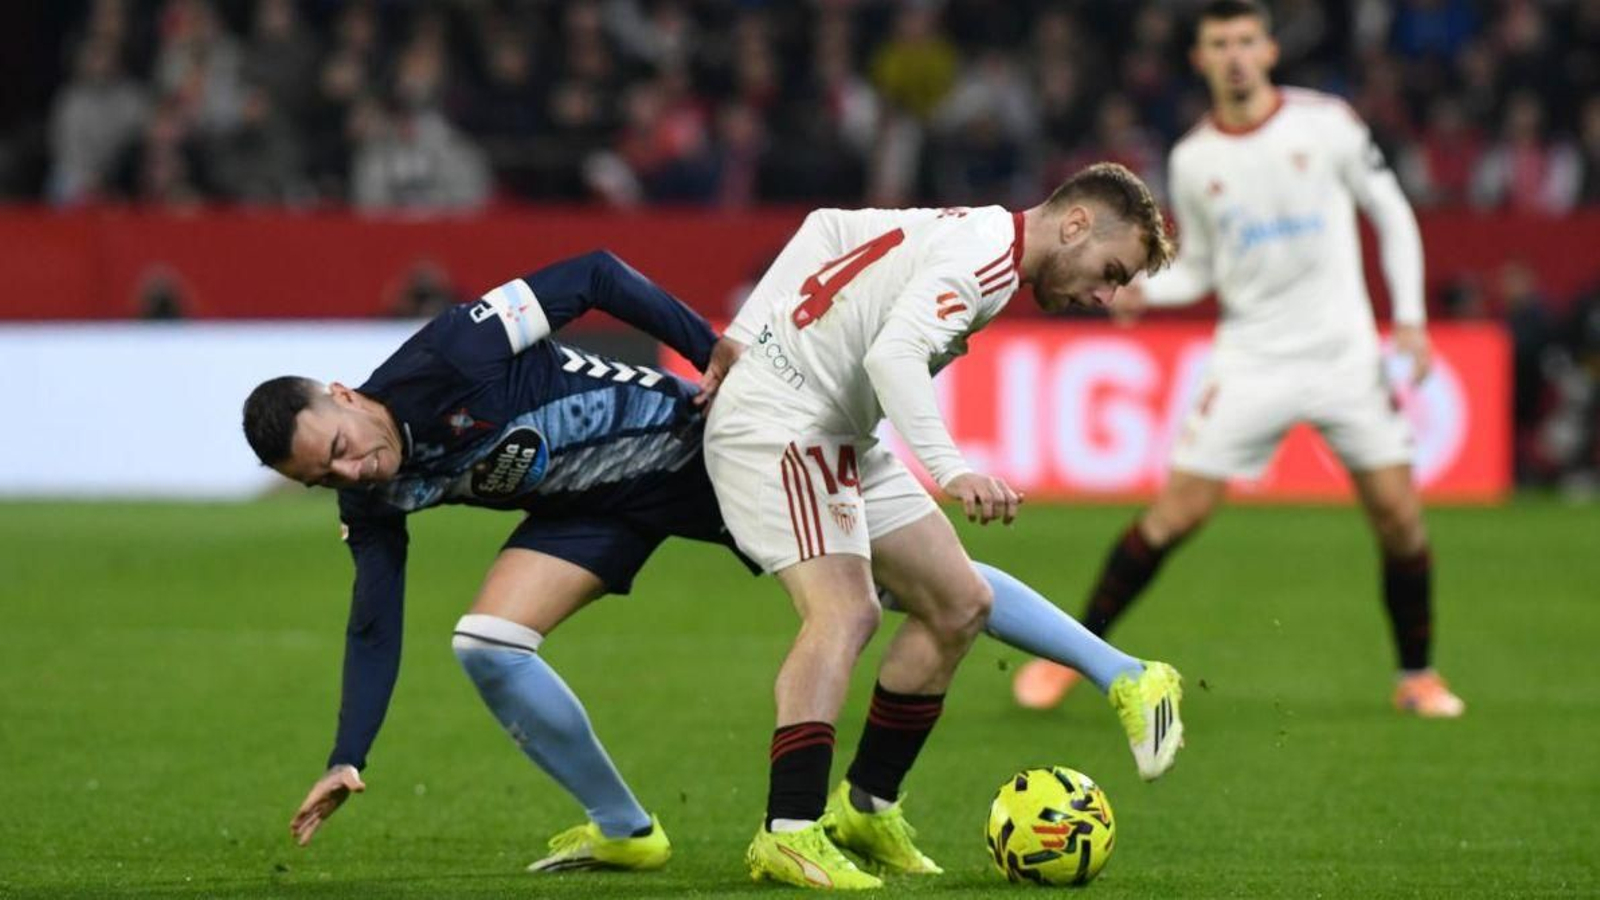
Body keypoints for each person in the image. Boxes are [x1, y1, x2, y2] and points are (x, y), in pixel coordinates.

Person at [241, 250, 1184, 876]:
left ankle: (1124, 672)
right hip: (591, 507)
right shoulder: (371, 492)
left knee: (924, 586)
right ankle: (625, 831)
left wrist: (713, 353)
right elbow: (375, 611)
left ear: (341, 392)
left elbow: (595, 274)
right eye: (324, 477)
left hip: (698, 450)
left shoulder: (451, 350)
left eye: (343, 445)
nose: (353, 470)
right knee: (487, 643)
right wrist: (348, 755)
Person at [702, 162, 1183, 890]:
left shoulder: (972, 228)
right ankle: (790, 831)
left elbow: (825, 224)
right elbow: (891, 354)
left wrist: (742, 329)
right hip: (782, 425)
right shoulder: (984, 260)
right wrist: (952, 470)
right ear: (1076, 224)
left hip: (837, 430)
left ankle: (867, 808)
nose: (1105, 296)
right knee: (845, 610)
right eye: (1111, 272)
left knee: (959, 602)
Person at [1010, 0, 1466, 721]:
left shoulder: (1328, 124)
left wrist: (1408, 319)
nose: (1235, 55)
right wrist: (1143, 294)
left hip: (1343, 355)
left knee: (1400, 519)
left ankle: (1417, 676)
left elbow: (1391, 211)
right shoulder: (1195, 159)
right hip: (1252, 359)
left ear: (1270, 51)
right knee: (1174, 515)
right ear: (1200, 59)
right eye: (1219, 43)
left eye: (1247, 41)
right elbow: (1203, 273)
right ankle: (1073, 655)